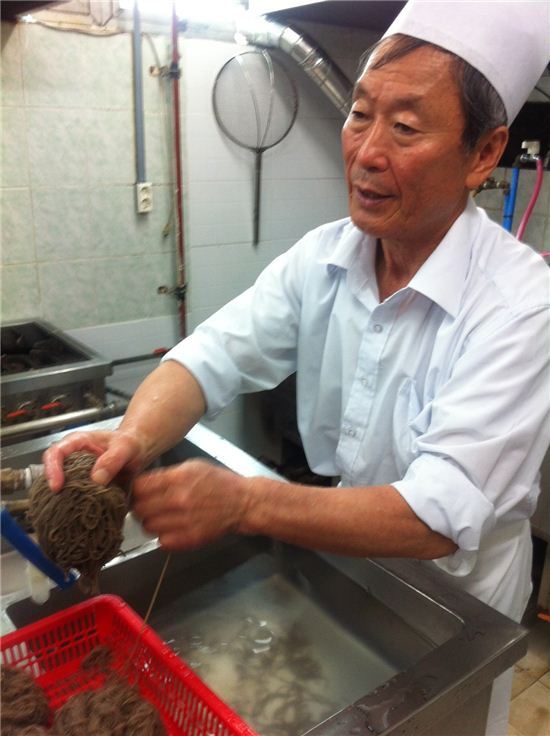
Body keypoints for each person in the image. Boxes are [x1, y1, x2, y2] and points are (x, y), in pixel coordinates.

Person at [44, 1, 549, 733]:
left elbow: (444, 508)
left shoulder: (520, 302)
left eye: (405, 128)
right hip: (346, 557)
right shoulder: (324, 258)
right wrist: (133, 438)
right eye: (360, 115)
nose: (366, 151)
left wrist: (246, 502)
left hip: (457, 604)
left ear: (482, 153)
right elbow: (208, 357)